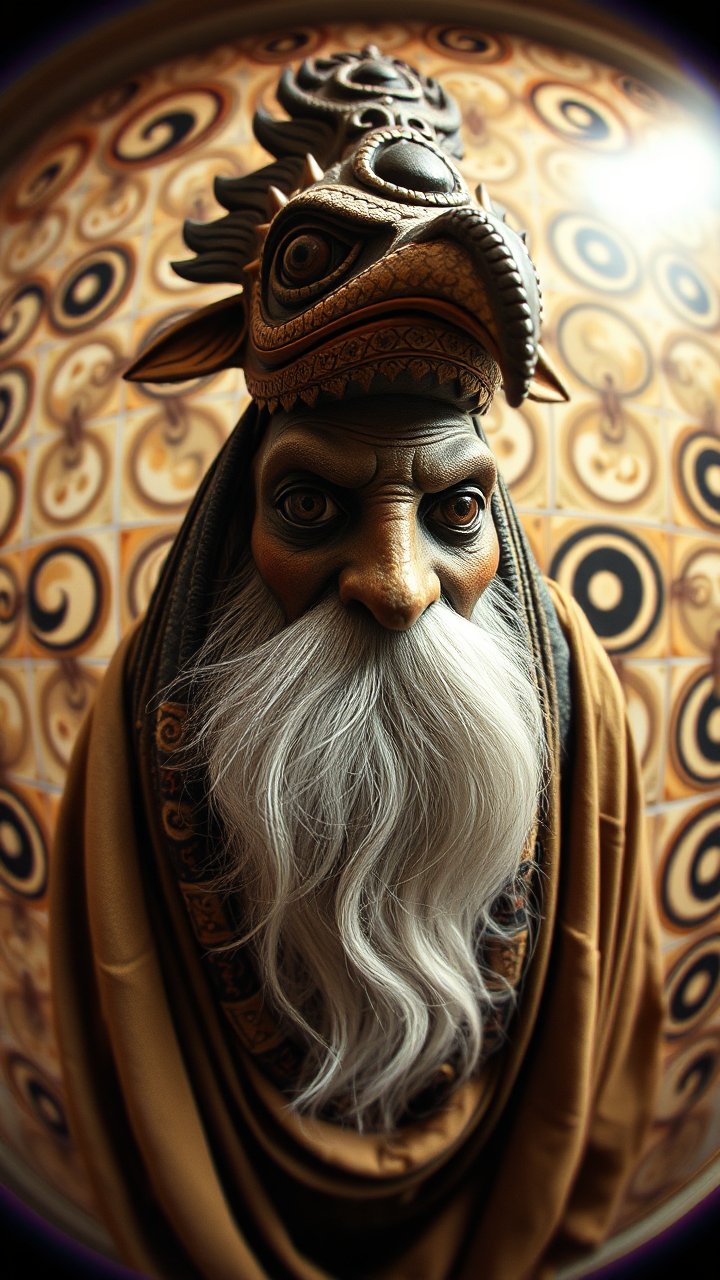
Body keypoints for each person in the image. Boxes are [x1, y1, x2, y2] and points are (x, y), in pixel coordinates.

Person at [50, 47, 664, 1280]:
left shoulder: (577, 693)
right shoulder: (142, 712)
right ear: (246, 510)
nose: (396, 583)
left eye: (454, 512)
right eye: (314, 507)